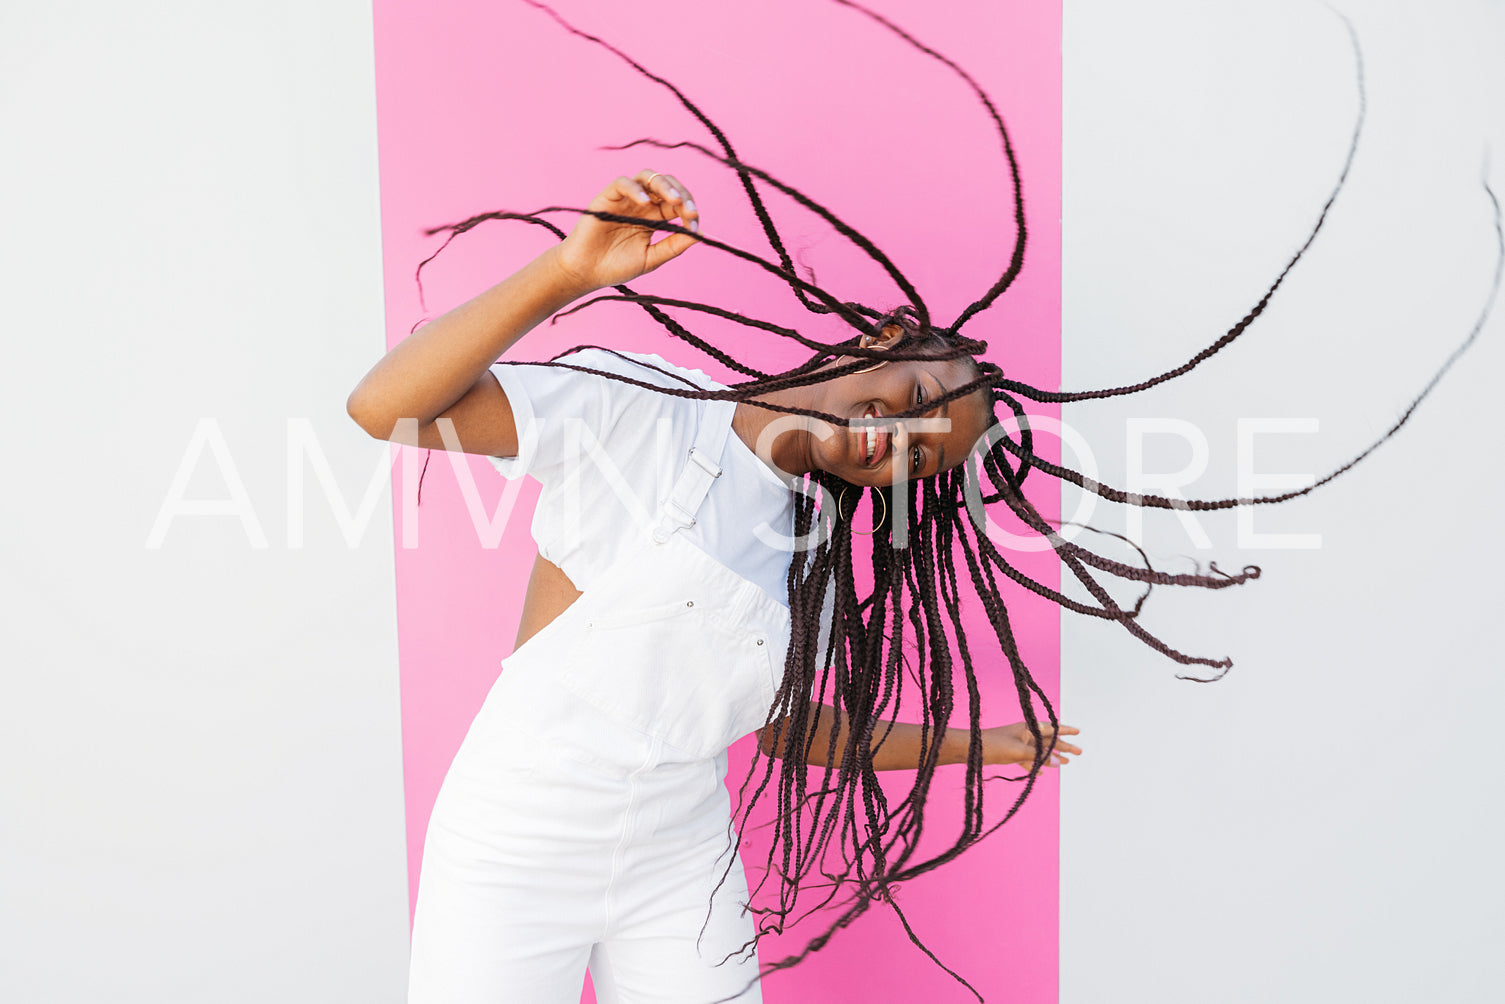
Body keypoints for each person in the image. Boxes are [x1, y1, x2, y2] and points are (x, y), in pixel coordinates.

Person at [348, 168, 1082, 1003]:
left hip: (682, 861)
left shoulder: (813, 553)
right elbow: (386, 407)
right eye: (914, 399)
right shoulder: (648, 408)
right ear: (883, 337)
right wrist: (565, 274)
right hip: (519, 836)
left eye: (922, 457)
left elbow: (783, 731)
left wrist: (978, 744)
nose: (898, 439)